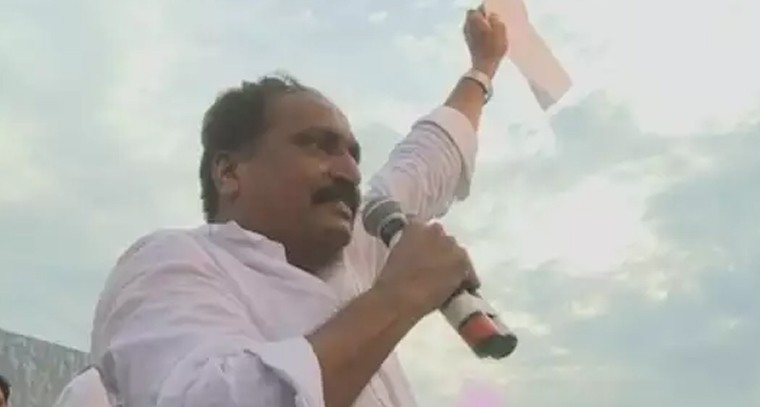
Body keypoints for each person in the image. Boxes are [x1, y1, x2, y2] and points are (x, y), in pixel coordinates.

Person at [79, 7, 508, 407]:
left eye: (353, 155)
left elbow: (428, 158)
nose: (349, 172)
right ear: (229, 172)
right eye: (318, 146)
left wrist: (483, 68)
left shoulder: (359, 248)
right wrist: (398, 297)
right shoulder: (172, 263)